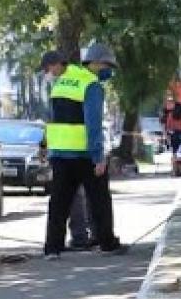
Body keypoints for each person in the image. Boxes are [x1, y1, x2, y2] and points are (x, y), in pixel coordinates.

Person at [43, 42, 125, 258]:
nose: (110, 72)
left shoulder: (63, 81)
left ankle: (52, 247)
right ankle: (107, 243)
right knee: (99, 200)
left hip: (60, 152)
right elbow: (93, 123)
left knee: (59, 202)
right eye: (109, 66)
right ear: (97, 63)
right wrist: (98, 156)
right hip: (84, 153)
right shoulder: (91, 84)